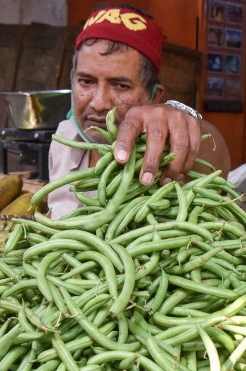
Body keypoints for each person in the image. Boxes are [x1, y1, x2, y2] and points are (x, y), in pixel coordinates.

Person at [47, 5, 231, 220]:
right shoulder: (63, 138)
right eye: (86, 82)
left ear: (154, 96)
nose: (98, 103)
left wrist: (179, 115)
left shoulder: (166, 150)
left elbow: (210, 146)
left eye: (121, 86)